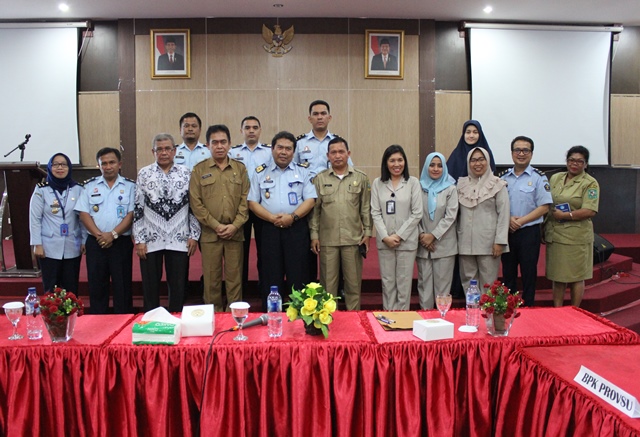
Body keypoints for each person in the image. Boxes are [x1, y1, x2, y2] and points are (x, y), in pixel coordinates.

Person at [248, 131, 317, 311]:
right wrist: (271, 218)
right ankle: (271, 315)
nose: (284, 152)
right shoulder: (260, 173)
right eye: (280, 147)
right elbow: (252, 202)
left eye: (288, 148)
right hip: (269, 230)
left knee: (298, 273)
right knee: (270, 274)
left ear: (294, 152)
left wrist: (292, 217)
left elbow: (310, 200)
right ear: (272, 149)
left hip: (296, 228)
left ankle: (301, 316)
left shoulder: (303, 171)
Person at [133, 134, 201, 312]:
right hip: (150, 238)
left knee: (178, 286)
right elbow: (138, 207)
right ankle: (152, 322)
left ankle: (176, 320)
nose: (163, 153)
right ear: (153, 151)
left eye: (167, 149)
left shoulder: (186, 173)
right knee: (150, 286)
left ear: (174, 151)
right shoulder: (144, 173)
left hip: (179, 238)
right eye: (159, 149)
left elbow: (194, 206)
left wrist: (194, 235)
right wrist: (139, 239)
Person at [190, 125, 250, 312]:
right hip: (209, 234)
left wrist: (235, 225)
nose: (219, 146)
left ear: (230, 144)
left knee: (235, 279)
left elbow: (246, 200)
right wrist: (216, 226)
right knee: (211, 279)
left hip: (235, 232)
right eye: (214, 142)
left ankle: (235, 316)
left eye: (223, 142)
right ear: (207, 145)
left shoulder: (240, 169)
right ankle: (213, 317)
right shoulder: (199, 170)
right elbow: (196, 203)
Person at [309, 137, 372, 310]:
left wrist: (367, 234)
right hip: (327, 241)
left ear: (348, 154)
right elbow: (315, 212)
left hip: (353, 240)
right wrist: (314, 235)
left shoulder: (361, 178)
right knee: (328, 287)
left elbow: (365, 208)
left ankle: (355, 323)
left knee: (353, 286)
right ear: (328, 156)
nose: (337, 155)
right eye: (333, 152)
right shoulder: (319, 179)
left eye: (341, 151)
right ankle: (330, 323)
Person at [75, 148, 135, 314]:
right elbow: (83, 213)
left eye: (112, 162)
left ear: (119, 164)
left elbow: (131, 214)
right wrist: (99, 235)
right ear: (99, 165)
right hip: (96, 242)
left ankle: (122, 322)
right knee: (96, 286)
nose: (108, 167)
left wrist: (113, 234)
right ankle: (98, 323)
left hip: (120, 242)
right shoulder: (89, 186)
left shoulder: (130, 186)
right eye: (104, 163)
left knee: (122, 286)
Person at [544, 146, 599, 308]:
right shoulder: (556, 178)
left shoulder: (590, 183)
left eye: (579, 161)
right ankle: (558, 310)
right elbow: (548, 203)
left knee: (576, 276)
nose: (574, 164)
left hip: (576, 238)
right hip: (555, 235)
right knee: (558, 276)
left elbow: (590, 210)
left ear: (586, 164)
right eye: (571, 160)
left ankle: (575, 311)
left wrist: (566, 216)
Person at [500, 136, 552, 306]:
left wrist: (520, 222)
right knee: (508, 272)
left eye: (525, 150)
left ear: (531, 153)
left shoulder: (539, 177)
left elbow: (544, 207)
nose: (521, 153)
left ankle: (528, 305)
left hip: (529, 232)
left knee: (529, 273)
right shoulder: (503, 178)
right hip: (507, 231)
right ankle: (508, 307)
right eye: (517, 150)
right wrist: (508, 220)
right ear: (511, 153)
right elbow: (496, 204)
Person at [371, 145, 422, 310]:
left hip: (406, 242)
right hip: (385, 242)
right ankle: (389, 320)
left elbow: (417, 213)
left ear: (405, 162)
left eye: (400, 160)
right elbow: (375, 212)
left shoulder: (413, 182)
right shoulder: (378, 183)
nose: (396, 164)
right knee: (387, 283)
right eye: (392, 160)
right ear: (386, 163)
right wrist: (386, 236)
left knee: (404, 284)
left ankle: (402, 320)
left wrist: (399, 236)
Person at [29, 153, 86, 294]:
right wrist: (37, 244)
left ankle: (70, 316)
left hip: (73, 245)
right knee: (51, 287)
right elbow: (35, 218)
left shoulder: (78, 189)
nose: (60, 167)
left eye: (64, 164)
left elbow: (83, 218)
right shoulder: (41, 190)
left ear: (69, 167)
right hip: (48, 247)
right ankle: (53, 316)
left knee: (71, 288)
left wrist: (85, 241)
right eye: (56, 164)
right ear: (49, 167)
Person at [228, 116, 272, 294]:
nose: (251, 130)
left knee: (265, 249)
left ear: (260, 130)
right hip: (240, 207)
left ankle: (265, 285)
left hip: (263, 206)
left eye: (255, 127)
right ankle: (242, 287)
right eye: (247, 128)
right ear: (241, 131)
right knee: (240, 251)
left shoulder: (269, 152)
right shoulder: (233, 153)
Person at [457, 147, 510, 292]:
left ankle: (487, 314)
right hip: (465, 243)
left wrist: (500, 241)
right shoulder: (461, 184)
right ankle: (472, 313)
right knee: (468, 282)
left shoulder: (498, 184)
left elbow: (504, 214)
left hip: (489, 244)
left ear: (488, 161)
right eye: (473, 160)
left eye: (481, 159)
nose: (477, 163)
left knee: (488, 283)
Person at [416, 153, 458, 310]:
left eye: (440, 165)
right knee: (424, 288)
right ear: (426, 166)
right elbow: (413, 213)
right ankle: (426, 320)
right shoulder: (417, 187)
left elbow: (450, 216)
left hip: (444, 245)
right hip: (422, 246)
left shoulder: (451, 189)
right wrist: (422, 236)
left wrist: (432, 236)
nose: (435, 168)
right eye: (432, 165)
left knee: (442, 291)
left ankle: (442, 321)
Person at [295, 99, 348, 177]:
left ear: (329, 118)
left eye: (323, 113)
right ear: (310, 119)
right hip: (307, 186)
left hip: (332, 187)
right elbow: (292, 169)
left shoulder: (339, 143)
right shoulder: (300, 143)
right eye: (315, 114)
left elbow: (348, 168)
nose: (319, 117)